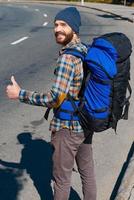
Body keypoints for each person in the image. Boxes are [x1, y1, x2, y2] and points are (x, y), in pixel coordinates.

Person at [6, 7, 97, 200]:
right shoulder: (85, 50)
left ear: (74, 28)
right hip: (85, 123)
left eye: (63, 25)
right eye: (56, 25)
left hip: (67, 128)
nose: (57, 29)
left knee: (61, 181)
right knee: (88, 173)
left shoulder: (67, 58)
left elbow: (54, 98)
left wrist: (20, 94)